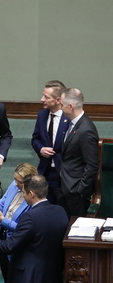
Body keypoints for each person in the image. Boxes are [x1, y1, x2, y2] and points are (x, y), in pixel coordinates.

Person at [0, 175, 68, 283]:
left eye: (23, 192)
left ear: (31, 194)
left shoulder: (30, 217)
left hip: (29, 276)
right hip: (54, 274)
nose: (23, 195)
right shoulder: (60, 211)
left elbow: (8, 246)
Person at [0, 162, 37, 281]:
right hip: (4, 236)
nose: (16, 184)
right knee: (6, 271)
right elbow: (2, 204)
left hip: (20, 242)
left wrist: (3, 221)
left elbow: (27, 229)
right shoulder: (13, 185)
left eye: (20, 182)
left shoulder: (34, 198)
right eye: (15, 179)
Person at [59, 88, 99, 218]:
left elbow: (92, 165)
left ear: (70, 107)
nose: (60, 108)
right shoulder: (72, 125)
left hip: (76, 193)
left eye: (62, 105)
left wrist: (80, 190)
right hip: (66, 187)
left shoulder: (86, 130)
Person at [31, 80, 69, 204]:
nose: (42, 99)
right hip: (45, 172)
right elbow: (35, 138)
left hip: (63, 174)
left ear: (58, 100)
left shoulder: (69, 118)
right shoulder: (42, 115)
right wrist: (40, 149)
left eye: (46, 97)